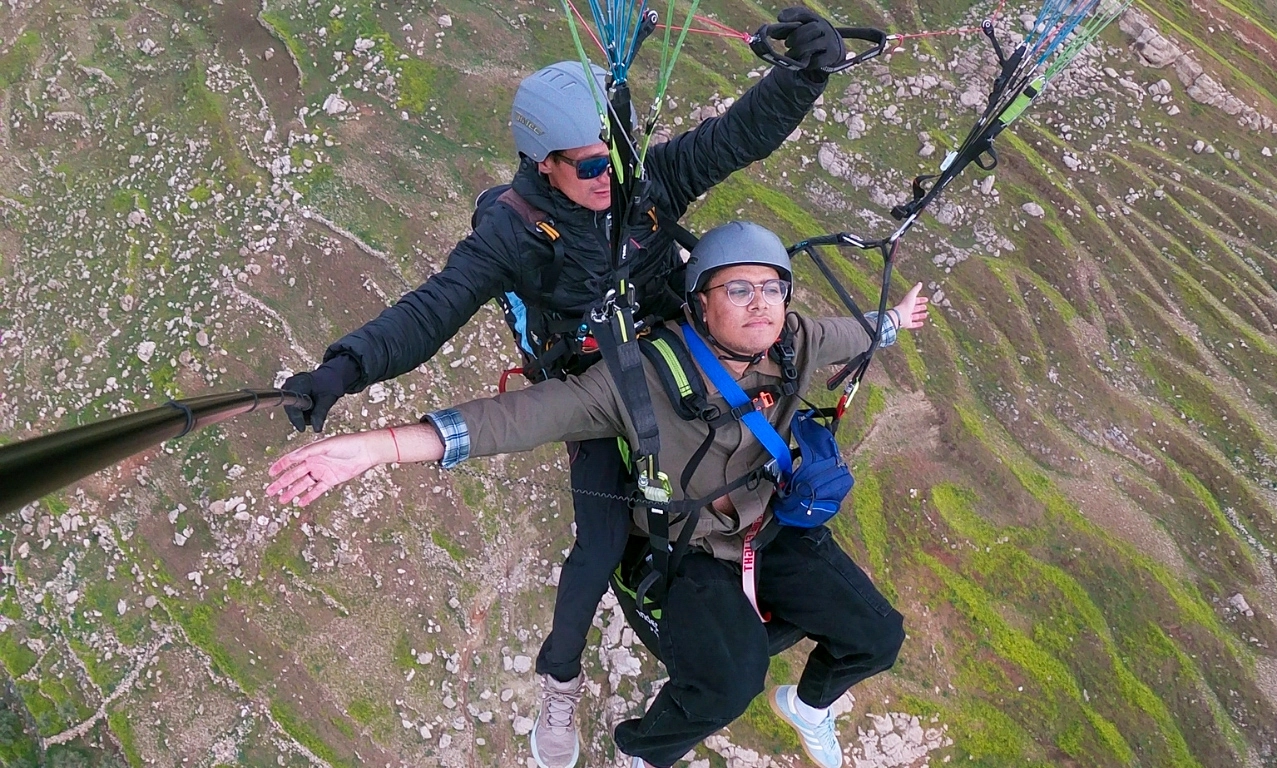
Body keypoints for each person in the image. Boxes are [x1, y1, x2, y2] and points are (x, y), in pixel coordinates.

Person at [279, 9, 845, 768]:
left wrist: (802, 77)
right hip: (597, 383)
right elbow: (433, 310)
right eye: (588, 165)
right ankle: (560, 677)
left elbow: (735, 137)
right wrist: (342, 371)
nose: (609, 175)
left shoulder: (644, 182)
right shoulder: (511, 234)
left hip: (681, 353)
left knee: (767, 449)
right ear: (543, 163)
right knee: (600, 544)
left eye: (615, 153)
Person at [266, 221, 930, 768]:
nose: (760, 303)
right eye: (738, 289)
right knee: (730, 682)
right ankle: (642, 754)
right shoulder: (635, 381)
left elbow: (865, 333)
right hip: (688, 550)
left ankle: (808, 705)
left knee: (878, 636)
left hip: (768, 526)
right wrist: (376, 447)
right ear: (701, 302)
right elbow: (521, 418)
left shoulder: (797, 341)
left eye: (771, 288)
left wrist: (898, 318)